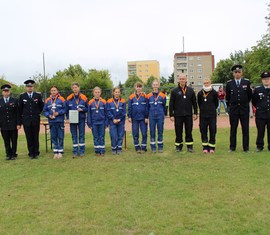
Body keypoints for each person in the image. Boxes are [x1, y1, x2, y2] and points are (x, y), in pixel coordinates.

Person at [226, 65, 252, 152]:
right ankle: (232, 147)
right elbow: (228, 98)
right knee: (233, 129)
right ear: (233, 74)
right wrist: (230, 108)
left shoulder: (246, 82)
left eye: (239, 72)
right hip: (234, 110)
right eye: (235, 72)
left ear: (242, 73)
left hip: (244, 110)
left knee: (245, 129)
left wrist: (244, 104)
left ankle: (246, 148)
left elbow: (249, 96)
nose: (237, 74)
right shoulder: (229, 83)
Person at [169, 73, 198, 152]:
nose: (182, 80)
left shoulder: (190, 90)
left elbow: (194, 103)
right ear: (179, 80)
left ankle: (190, 146)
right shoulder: (174, 91)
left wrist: (195, 113)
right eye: (181, 79)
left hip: (188, 115)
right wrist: (171, 114)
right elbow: (171, 104)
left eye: (183, 79)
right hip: (178, 115)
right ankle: (178, 146)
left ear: (186, 80)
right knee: (178, 131)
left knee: (189, 131)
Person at [18, 79, 44, 159]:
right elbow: (20, 108)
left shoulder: (37, 95)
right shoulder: (22, 96)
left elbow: (41, 106)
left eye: (31, 86)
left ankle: (36, 153)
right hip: (26, 120)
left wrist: (36, 113)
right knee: (28, 137)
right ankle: (31, 153)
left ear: (33, 87)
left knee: (35, 137)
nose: (30, 88)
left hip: (35, 119)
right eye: (28, 86)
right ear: (26, 87)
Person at [43, 86, 67, 159]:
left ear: (57, 91)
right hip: (52, 121)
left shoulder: (62, 99)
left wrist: (58, 113)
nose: (53, 92)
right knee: (53, 137)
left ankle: (60, 152)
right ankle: (55, 152)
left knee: (60, 136)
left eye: (54, 90)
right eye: (52, 90)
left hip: (59, 121)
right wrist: (49, 115)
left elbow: (65, 109)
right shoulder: (47, 100)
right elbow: (45, 110)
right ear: (50, 92)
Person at [66, 83, 88, 158]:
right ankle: (75, 151)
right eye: (73, 87)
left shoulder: (84, 97)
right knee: (74, 135)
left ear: (79, 88)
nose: (75, 89)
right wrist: (68, 117)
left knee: (81, 135)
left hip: (81, 118)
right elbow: (66, 109)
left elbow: (87, 108)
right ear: (72, 89)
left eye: (76, 87)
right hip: (72, 119)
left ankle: (82, 151)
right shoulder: (69, 98)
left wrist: (82, 109)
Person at [197, 78, 219, 153]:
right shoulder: (200, 93)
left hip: (212, 115)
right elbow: (199, 103)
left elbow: (216, 103)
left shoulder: (214, 93)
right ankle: (205, 147)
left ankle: (212, 147)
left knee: (213, 130)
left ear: (210, 83)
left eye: (207, 83)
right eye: (205, 83)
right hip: (203, 115)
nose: (206, 84)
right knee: (203, 130)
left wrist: (211, 109)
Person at [0, 84, 20, 160]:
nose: (6, 93)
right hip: (3, 124)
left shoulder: (14, 100)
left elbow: (17, 113)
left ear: (9, 92)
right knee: (6, 140)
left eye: (7, 91)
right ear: (2, 92)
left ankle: (13, 154)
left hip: (13, 124)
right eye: (4, 91)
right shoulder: (0, 101)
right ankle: (8, 154)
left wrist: (18, 123)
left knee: (14, 140)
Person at [128, 82, 148, 154]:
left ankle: (143, 147)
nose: (138, 88)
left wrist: (146, 117)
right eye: (137, 87)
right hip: (134, 118)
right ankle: (137, 147)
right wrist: (129, 116)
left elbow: (147, 107)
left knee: (144, 133)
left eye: (140, 87)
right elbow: (129, 107)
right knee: (135, 133)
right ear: (135, 88)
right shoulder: (131, 97)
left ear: (142, 88)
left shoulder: (145, 96)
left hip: (143, 118)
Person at [252, 71, 270, 152]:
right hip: (261, 115)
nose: (266, 80)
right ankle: (259, 146)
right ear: (262, 80)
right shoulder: (258, 89)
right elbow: (254, 101)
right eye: (264, 79)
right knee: (260, 131)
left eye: (268, 79)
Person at [147, 80, 166, 153]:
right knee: (152, 132)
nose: (155, 86)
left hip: (160, 116)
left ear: (158, 86)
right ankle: (153, 148)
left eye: (156, 84)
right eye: (154, 84)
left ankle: (160, 147)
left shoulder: (162, 95)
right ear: (152, 86)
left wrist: (163, 114)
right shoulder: (148, 96)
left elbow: (164, 106)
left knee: (160, 132)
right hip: (152, 116)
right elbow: (147, 107)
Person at [87, 87, 107, 156]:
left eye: (98, 92)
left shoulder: (104, 101)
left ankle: (102, 150)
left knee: (101, 136)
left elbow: (106, 113)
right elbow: (89, 114)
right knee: (95, 137)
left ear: (100, 93)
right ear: (93, 93)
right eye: (96, 92)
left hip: (102, 122)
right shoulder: (90, 102)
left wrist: (106, 123)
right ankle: (97, 151)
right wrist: (89, 124)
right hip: (94, 122)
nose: (97, 93)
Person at [106, 87, 126, 155]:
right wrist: (113, 119)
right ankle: (114, 148)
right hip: (112, 121)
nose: (117, 93)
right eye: (116, 92)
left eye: (118, 92)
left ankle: (119, 148)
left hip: (121, 121)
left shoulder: (123, 101)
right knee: (113, 135)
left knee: (120, 135)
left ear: (120, 93)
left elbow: (124, 112)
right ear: (113, 93)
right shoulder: (109, 101)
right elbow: (108, 111)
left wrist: (119, 119)